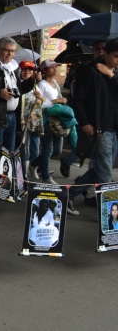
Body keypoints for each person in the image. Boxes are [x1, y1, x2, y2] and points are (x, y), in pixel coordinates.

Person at [67, 38, 118, 215]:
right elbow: (77, 100)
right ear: (105, 53)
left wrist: (111, 75)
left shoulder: (114, 74)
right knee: (105, 176)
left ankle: (69, 194)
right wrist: (85, 122)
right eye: (116, 56)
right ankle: (110, 218)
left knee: (99, 171)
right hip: (99, 130)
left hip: (113, 130)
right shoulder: (89, 70)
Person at [29, 59, 74, 185]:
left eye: (56, 67)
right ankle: (46, 176)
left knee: (57, 150)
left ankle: (33, 164)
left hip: (57, 120)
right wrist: (56, 101)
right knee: (48, 149)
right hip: (46, 120)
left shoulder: (54, 82)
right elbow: (38, 104)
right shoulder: (42, 84)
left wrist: (61, 101)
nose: (55, 69)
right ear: (44, 70)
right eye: (52, 67)